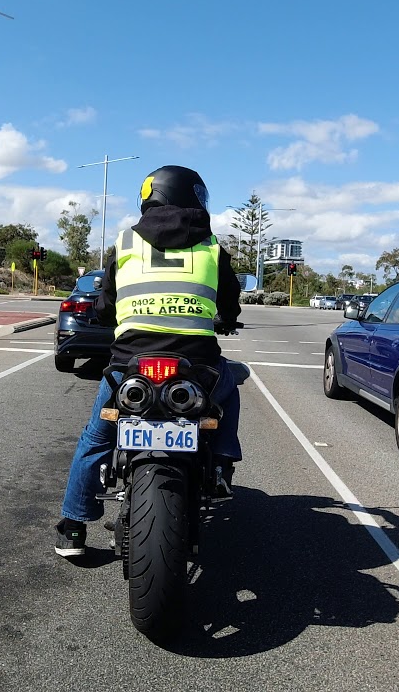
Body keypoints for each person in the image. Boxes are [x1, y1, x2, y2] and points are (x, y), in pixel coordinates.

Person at [55, 165, 243, 558]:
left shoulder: (125, 243)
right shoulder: (212, 247)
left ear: (149, 196)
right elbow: (229, 302)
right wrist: (224, 318)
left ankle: (73, 527)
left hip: (131, 365)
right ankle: (223, 467)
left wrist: (111, 314)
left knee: (97, 437)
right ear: (195, 198)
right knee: (231, 388)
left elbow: (106, 303)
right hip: (197, 367)